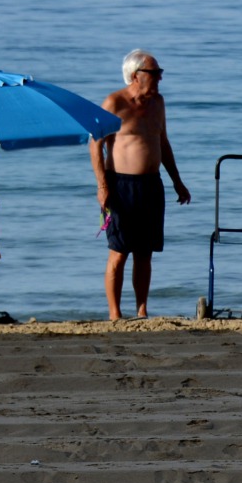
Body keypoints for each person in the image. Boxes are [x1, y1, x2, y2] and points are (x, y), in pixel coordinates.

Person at [90, 49, 191, 319]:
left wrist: (177, 182)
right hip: (120, 186)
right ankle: (115, 314)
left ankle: (142, 310)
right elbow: (95, 145)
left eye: (160, 73)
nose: (160, 78)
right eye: (154, 73)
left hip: (151, 185)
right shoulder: (114, 103)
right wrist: (102, 186)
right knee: (119, 252)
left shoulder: (158, 103)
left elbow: (163, 142)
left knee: (145, 253)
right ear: (136, 75)